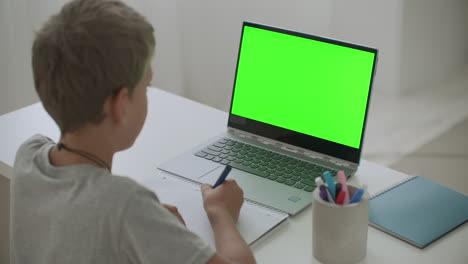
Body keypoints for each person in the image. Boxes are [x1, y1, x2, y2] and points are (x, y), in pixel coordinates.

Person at [10, 0, 256, 263]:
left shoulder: (29, 155)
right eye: (146, 87)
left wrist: (149, 224)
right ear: (120, 105)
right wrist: (221, 213)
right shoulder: (126, 206)